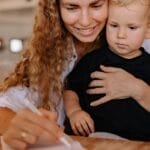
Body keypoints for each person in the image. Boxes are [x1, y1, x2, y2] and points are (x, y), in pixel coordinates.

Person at [0, 0, 108, 149]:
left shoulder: (140, 39)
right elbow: (4, 105)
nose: (85, 21)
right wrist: (16, 124)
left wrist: (139, 90)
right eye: (72, 7)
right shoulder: (49, 54)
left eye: (96, 6)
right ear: (56, 9)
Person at [64, 0, 150, 141]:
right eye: (114, 25)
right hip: (98, 138)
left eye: (132, 28)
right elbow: (70, 88)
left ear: (148, 30)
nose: (121, 35)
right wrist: (74, 112)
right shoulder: (92, 60)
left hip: (141, 143)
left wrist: (137, 89)